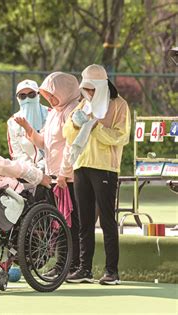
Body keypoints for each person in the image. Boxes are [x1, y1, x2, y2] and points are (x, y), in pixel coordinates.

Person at [63, 64, 131, 285]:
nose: (89, 93)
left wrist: (96, 127)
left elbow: (121, 136)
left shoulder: (119, 105)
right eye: (86, 89)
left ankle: (112, 271)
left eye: (92, 89)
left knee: (107, 220)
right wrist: (75, 122)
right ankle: (84, 269)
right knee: (84, 221)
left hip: (106, 168)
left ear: (102, 86)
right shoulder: (84, 104)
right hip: (81, 165)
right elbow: (67, 133)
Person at [15, 72, 81, 277]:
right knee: (58, 223)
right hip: (54, 177)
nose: (50, 99)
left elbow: (72, 146)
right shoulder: (54, 112)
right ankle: (62, 264)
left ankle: (71, 264)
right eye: (47, 95)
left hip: (67, 179)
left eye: (53, 94)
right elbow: (44, 143)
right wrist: (27, 128)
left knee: (71, 223)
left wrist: (63, 173)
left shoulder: (73, 112)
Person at [7, 79, 48, 168]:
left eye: (31, 94)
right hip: (27, 171)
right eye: (22, 96)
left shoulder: (52, 115)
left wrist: (43, 165)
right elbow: (16, 152)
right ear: (18, 98)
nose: (27, 99)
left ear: (38, 95)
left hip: (52, 168)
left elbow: (57, 146)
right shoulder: (12, 122)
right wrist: (31, 168)